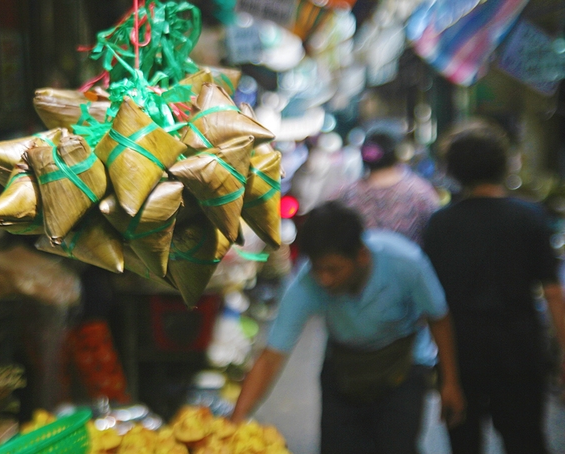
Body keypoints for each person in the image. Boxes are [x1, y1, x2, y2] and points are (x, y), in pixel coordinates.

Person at [231, 200, 465, 454]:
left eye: (333, 270)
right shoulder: (307, 282)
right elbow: (271, 357)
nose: (324, 279)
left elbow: (438, 318)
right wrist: (235, 423)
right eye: (318, 269)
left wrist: (450, 382)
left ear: (361, 256)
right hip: (343, 372)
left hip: (402, 372)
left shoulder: (405, 262)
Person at [422, 118, 565, 453]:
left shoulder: (440, 224)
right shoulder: (530, 217)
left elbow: (434, 306)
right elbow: (554, 294)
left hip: (461, 351)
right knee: (526, 441)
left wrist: (446, 375)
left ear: (453, 171)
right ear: (504, 165)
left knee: (464, 444)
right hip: (519, 349)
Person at [328, 122, 439, 244]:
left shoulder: (344, 194)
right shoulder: (420, 192)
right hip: (406, 262)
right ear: (398, 153)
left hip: (360, 263)